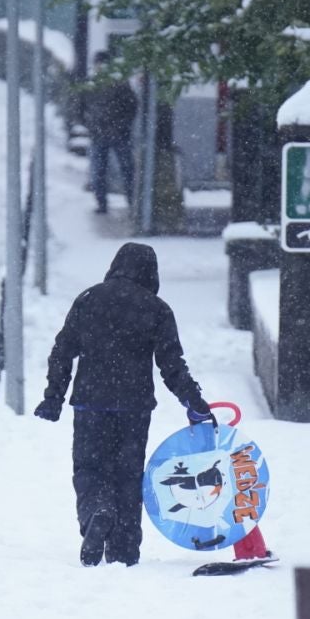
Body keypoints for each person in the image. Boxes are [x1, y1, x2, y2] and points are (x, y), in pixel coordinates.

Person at [34, 242, 215, 567]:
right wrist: (195, 403)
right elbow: (172, 365)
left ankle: (97, 512)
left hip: (90, 404)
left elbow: (62, 350)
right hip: (134, 407)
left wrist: (53, 397)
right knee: (128, 477)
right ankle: (124, 551)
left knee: (89, 468)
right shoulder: (157, 309)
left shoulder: (89, 300)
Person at [85, 50, 138, 215]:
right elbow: (79, 106)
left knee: (126, 169)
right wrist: (90, 124)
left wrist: (122, 125)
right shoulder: (92, 84)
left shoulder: (120, 84)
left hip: (118, 134)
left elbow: (132, 106)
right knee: (99, 172)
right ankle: (102, 203)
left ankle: (131, 201)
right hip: (100, 134)